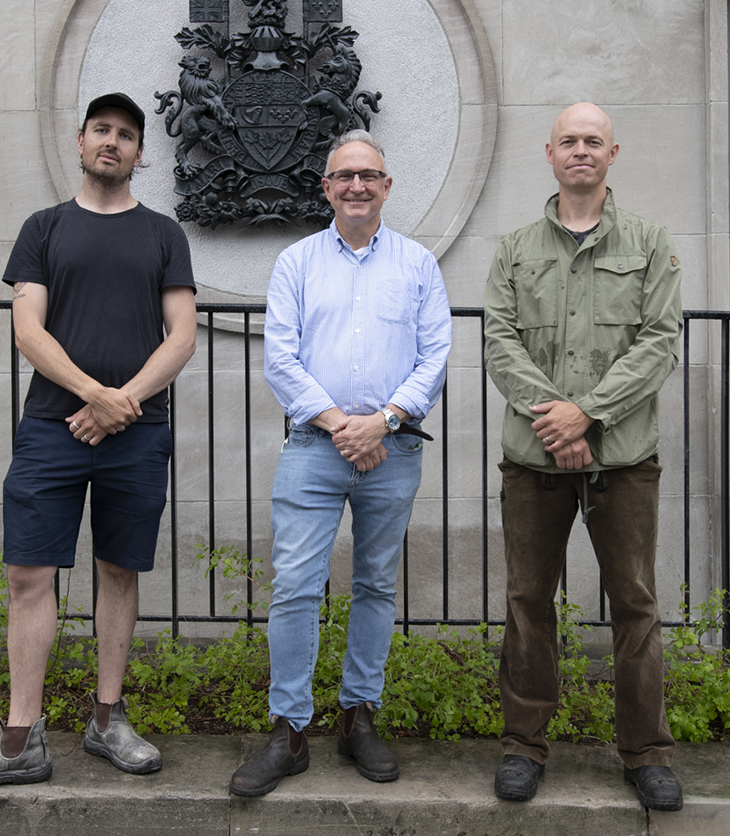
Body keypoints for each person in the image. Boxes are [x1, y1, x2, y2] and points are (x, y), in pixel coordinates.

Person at [0, 93, 197, 793]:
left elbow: (182, 335)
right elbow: (29, 331)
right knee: (28, 575)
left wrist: (120, 405)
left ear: (142, 153)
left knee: (118, 570)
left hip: (136, 433)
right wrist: (94, 396)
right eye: (102, 130)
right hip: (53, 428)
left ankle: (107, 718)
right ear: (80, 142)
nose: (113, 142)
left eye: (127, 135)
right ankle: (20, 739)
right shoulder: (43, 228)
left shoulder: (165, 234)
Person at [229, 130, 452, 797]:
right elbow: (281, 357)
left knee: (377, 585)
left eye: (369, 174)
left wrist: (382, 421)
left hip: (395, 448)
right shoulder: (296, 264)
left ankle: (360, 717)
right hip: (314, 450)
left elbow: (435, 353)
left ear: (387, 186)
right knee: (296, 585)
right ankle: (289, 730)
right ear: (325, 188)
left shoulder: (419, 265)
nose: (357, 185)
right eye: (344, 175)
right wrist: (340, 423)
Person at [483, 102, 683, 812]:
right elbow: (499, 341)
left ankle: (646, 753)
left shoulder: (650, 243)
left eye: (592, 140)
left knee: (635, 604)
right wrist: (557, 420)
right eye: (569, 140)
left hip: (624, 459)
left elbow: (660, 341)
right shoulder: (513, 250)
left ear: (613, 152)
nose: (580, 150)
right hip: (533, 462)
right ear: (549, 151)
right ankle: (523, 746)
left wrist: (588, 413)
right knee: (527, 602)